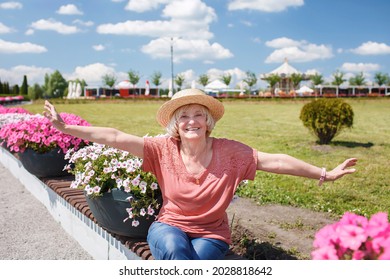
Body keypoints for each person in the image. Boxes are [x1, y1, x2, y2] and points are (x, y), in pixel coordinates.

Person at [43, 88, 357, 260]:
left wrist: (323, 173)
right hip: (170, 228)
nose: (191, 121)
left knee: (198, 263)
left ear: (207, 121)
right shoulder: (162, 148)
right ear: (175, 124)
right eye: (184, 117)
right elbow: (114, 136)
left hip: (212, 234)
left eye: (198, 115)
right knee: (178, 251)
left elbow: (274, 161)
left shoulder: (231, 153)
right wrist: (66, 127)